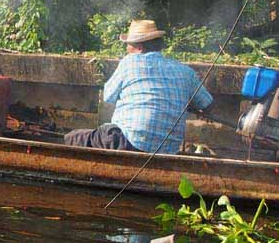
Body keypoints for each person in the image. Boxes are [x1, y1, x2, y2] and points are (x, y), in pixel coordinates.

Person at [64, 19, 213, 154]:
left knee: (72, 138)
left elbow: (108, 96)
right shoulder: (185, 71)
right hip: (166, 151)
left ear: (139, 47)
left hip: (128, 142)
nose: (126, 48)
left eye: (128, 44)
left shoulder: (130, 62)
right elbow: (206, 103)